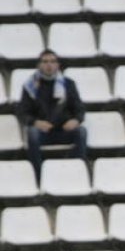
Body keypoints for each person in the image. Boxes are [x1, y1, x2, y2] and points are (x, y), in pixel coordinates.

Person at [18, 50, 86, 179]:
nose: (49, 65)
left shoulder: (68, 84)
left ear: (58, 65)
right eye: (45, 62)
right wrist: (35, 122)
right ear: (39, 65)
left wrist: (76, 120)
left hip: (64, 131)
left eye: (53, 61)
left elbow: (79, 109)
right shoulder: (30, 86)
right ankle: (38, 177)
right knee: (32, 133)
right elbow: (22, 112)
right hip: (43, 132)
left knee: (81, 131)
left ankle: (77, 173)